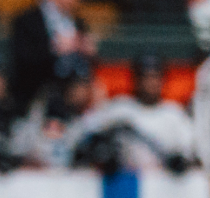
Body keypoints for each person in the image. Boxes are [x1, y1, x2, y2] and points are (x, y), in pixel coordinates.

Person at [70, 54, 204, 174]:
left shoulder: (174, 114)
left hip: (163, 191)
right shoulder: (120, 108)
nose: (150, 82)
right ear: (135, 79)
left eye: (155, 77)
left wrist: (181, 163)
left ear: (163, 79)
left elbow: (191, 155)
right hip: (123, 187)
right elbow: (84, 133)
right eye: (145, 77)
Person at [10, 0, 97, 111]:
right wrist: (55, 49)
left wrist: (88, 53)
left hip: (71, 103)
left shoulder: (78, 23)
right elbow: (23, 62)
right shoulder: (27, 21)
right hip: (35, 101)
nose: (77, 1)